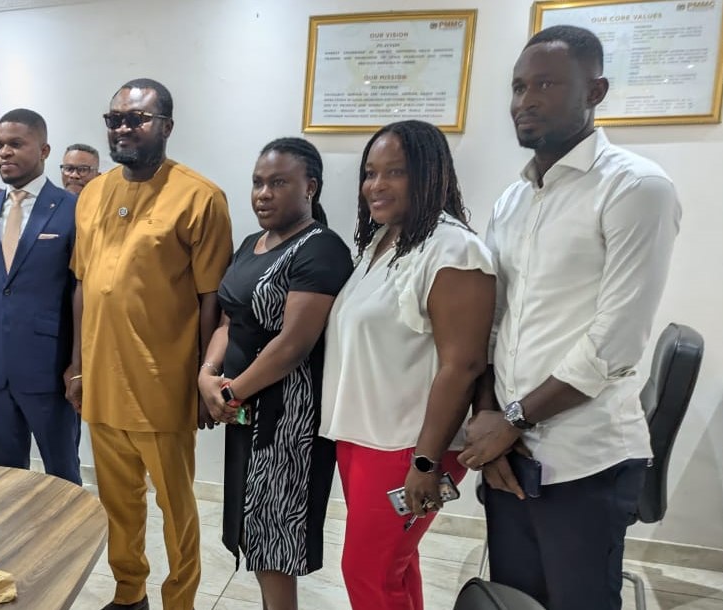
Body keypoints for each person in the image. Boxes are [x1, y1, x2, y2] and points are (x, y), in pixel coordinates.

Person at [457, 26, 681, 610]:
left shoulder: (635, 187)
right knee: (513, 600)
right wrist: (488, 420)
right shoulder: (513, 199)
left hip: (585, 460)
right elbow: (492, 324)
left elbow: (615, 341)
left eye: (547, 85)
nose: (525, 101)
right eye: (518, 87)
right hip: (511, 458)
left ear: (595, 91)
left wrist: (511, 420)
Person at [319, 120, 496, 610]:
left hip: (409, 448)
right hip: (364, 438)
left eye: (394, 172)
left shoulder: (454, 249)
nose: (376, 185)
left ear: (429, 174)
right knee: (393, 568)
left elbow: (464, 365)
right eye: (370, 173)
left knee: (367, 573)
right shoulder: (384, 240)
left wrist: (425, 462)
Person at [71, 78, 233, 610]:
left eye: (136, 119)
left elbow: (212, 297)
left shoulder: (199, 196)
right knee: (118, 504)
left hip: (161, 384)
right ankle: (129, 594)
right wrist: (76, 366)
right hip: (101, 382)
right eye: (114, 118)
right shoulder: (93, 193)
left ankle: (180, 601)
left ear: (166, 126)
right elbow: (83, 285)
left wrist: (204, 379)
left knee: (177, 510)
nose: (122, 128)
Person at [198, 137, 352, 610]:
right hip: (244, 411)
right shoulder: (252, 244)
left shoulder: (321, 248)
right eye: (258, 183)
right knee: (254, 529)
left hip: (288, 421)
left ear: (311, 187)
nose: (263, 194)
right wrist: (207, 375)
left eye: (278, 183)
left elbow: (292, 344)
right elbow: (229, 320)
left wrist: (231, 393)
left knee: (276, 540)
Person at [0, 109, 81, 484]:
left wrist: (78, 364)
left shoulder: (72, 210)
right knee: (6, 475)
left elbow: (82, 292)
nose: (4, 153)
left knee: (62, 472)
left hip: (49, 367)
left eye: (15, 144)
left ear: (43, 150)